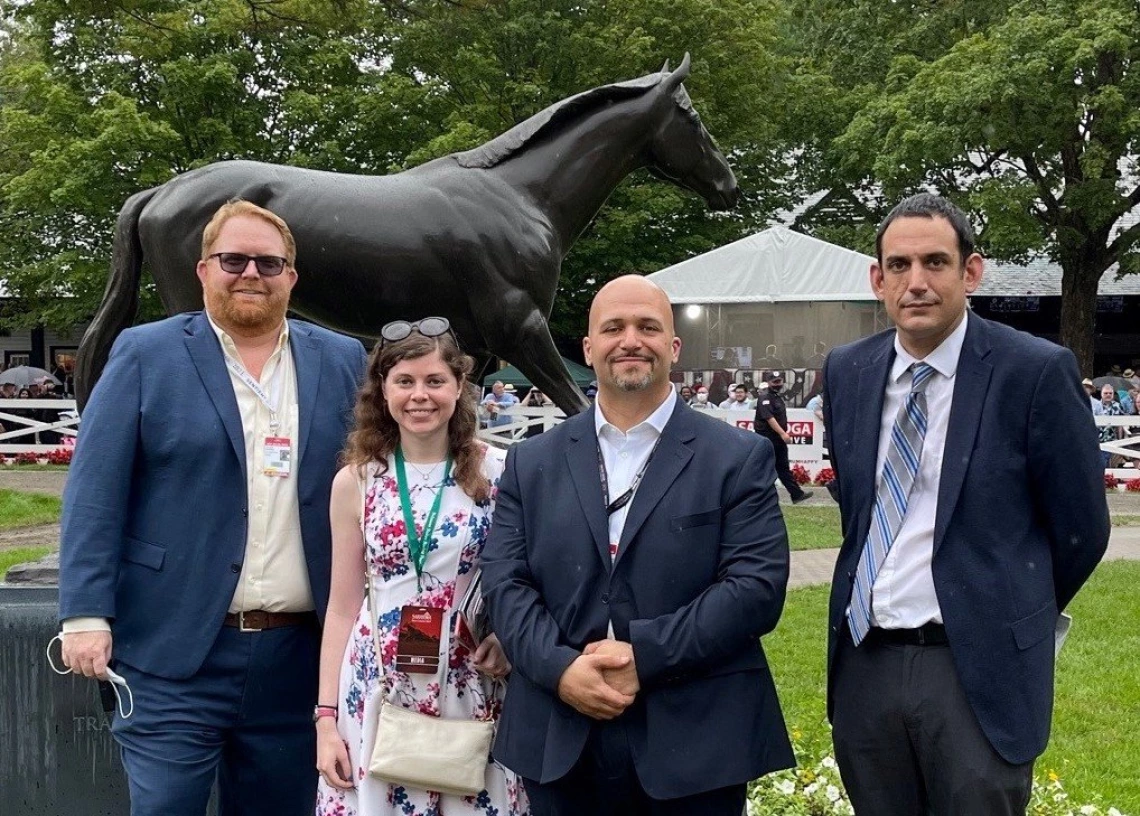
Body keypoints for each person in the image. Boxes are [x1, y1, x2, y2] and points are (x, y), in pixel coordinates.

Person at [57, 200, 368, 816]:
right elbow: (95, 492)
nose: (251, 273)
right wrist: (85, 612)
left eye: (269, 262)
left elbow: (382, 476)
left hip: (296, 662)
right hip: (173, 653)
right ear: (203, 270)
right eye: (233, 259)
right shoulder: (145, 353)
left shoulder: (340, 359)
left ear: (292, 278)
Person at [822, 193, 1109, 815]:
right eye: (898, 266)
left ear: (970, 272)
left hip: (976, 671)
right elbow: (858, 508)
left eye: (935, 262)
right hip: (866, 665)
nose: (916, 282)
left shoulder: (1033, 372)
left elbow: (1082, 529)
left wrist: (1008, 609)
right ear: (878, 279)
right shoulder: (848, 370)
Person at [481, 275, 793, 815]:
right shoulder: (531, 462)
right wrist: (560, 669)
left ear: (673, 347)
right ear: (588, 348)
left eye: (648, 327)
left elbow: (755, 588)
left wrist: (644, 656)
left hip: (695, 738)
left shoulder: (736, 458)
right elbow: (505, 583)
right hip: (560, 734)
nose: (630, 340)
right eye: (613, 328)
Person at [314, 320, 528, 816]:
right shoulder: (357, 481)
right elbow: (342, 606)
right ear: (382, 391)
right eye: (404, 381)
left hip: (470, 681)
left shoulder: (501, 472)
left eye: (434, 381)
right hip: (378, 682)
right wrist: (326, 719)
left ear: (458, 387)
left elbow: (526, 579)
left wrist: (508, 637)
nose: (420, 396)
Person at [754, 372, 814, 504]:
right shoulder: (765, 398)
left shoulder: (777, 398)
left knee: (782, 467)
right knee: (764, 468)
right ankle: (757, 496)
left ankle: (796, 494)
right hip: (768, 438)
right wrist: (783, 433)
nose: (778, 384)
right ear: (768, 383)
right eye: (774, 382)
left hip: (777, 440)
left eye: (779, 381)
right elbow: (769, 418)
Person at [1098, 383, 1125, 469]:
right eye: (1106, 393)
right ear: (1101, 394)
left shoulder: (1117, 406)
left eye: (1110, 393)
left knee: (1112, 467)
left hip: (1113, 440)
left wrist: (1121, 440)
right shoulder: (1096, 406)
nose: (1108, 395)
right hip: (1099, 440)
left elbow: (1120, 425)